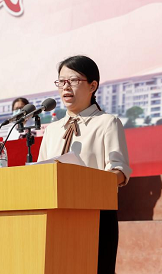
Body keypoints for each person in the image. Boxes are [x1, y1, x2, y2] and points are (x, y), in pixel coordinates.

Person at [37, 55, 132, 274]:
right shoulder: (52, 130)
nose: (65, 87)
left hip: (96, 216)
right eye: (61, 81)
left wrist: (89, 180)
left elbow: (119, 172)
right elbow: (41, 173)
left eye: (73, 80)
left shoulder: (107, 123)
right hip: (55, 217)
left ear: (92, 86)